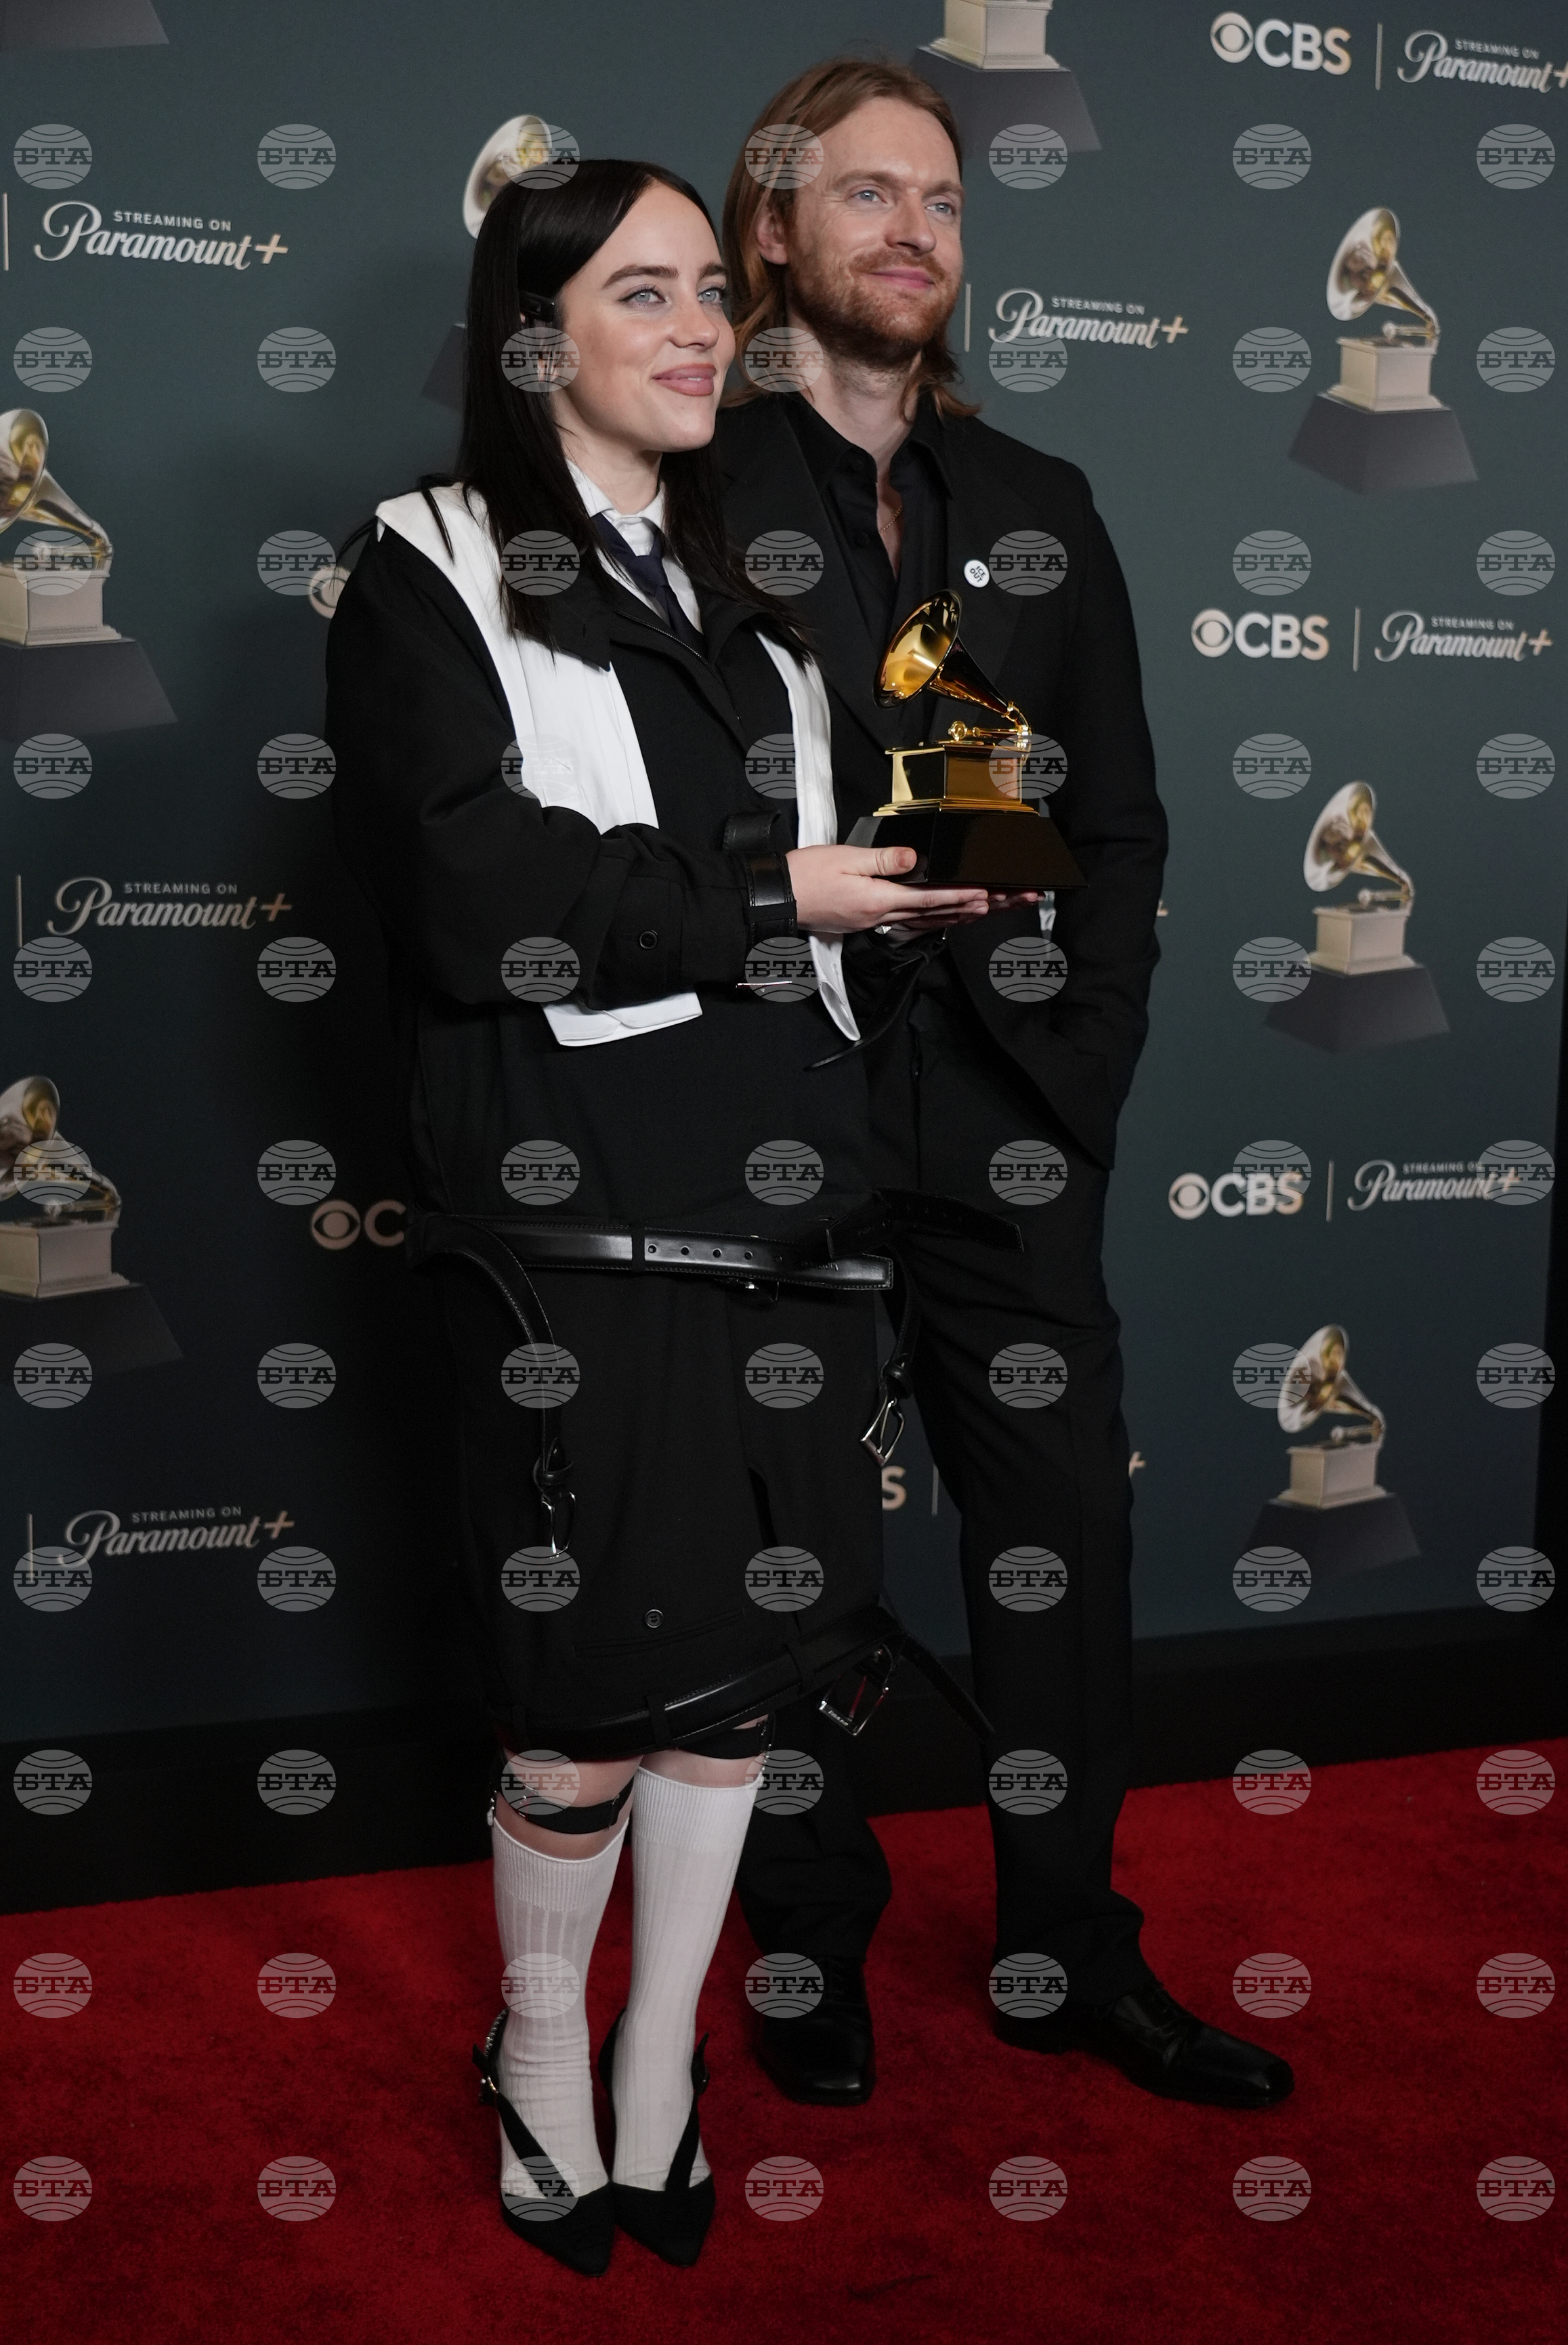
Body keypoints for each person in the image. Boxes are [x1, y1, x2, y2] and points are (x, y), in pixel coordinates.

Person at [324, 157, 1000, 2275]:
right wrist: (773, 896)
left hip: (789, 1221)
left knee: (742, 1693)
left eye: (713, 288)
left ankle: (655, 2059)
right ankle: (537, 2046)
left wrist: (915, 893)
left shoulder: (764, 610)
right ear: (535, 335)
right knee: (585, 1701)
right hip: (574, 1232)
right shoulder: (426, 562)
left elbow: (801, 925)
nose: (703, 326)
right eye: (645, 292)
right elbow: (476, 894)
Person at [719, 59, 1292, 2113]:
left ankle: (1067, 1951)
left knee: (1060, 1548)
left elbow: (1116, 819)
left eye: (943, 201)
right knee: (793, 1557)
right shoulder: (682, 487)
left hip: (1005, 1109)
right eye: (867, 193)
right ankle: (807, 1944)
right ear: (772, 228)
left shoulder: (1038, 503)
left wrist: (1084, 1069)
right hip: (764, 1108)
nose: (913, 232)